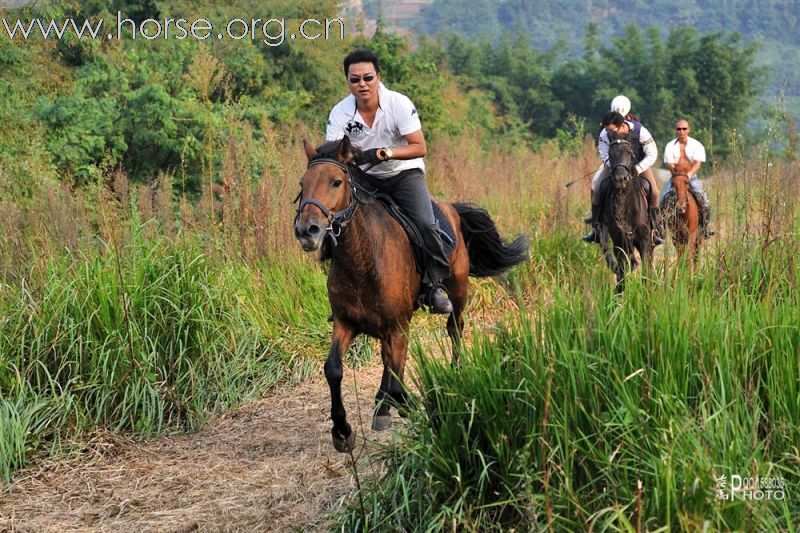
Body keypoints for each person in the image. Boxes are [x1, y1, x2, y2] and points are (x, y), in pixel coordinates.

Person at [325, 48, 453, 314]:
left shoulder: (399, 103)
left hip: (403, 173)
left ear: (378, 77)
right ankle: (343, 293)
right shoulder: (340, 113)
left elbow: (419, 146)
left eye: (368, 78)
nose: (362, 84)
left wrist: (387, 152)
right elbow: (333, 153)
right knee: (335, 222)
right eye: (355, 79)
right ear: (347, 81)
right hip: (365, 178)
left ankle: (434, 284)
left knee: (426, 224)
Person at [583, 109, 664, 244]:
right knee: (596, 188)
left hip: (639, 164)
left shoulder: (640, 131)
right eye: (607, 130)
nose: (609, 133)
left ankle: (655, 228)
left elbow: (652, 153)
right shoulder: (605, 132)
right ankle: (596, 228)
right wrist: (614, 167)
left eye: (612, 130)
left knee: (654, 192)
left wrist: (638, 168)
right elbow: (603, 153)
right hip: (615, 166)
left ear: (621, 126)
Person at [661, 119, 714, 238]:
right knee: (662, 199)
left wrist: (688, 175)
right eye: (679, 129)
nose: (681, 131)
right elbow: (669, 164)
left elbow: (697, 163)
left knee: (704, 201)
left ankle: (705, 226)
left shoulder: (696, 145)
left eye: (684, 129)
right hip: (675, 177)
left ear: (688, 130)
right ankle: (661, 228)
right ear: (676, 131)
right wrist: (677, 174)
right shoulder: (670, 146)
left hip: (691, 177)